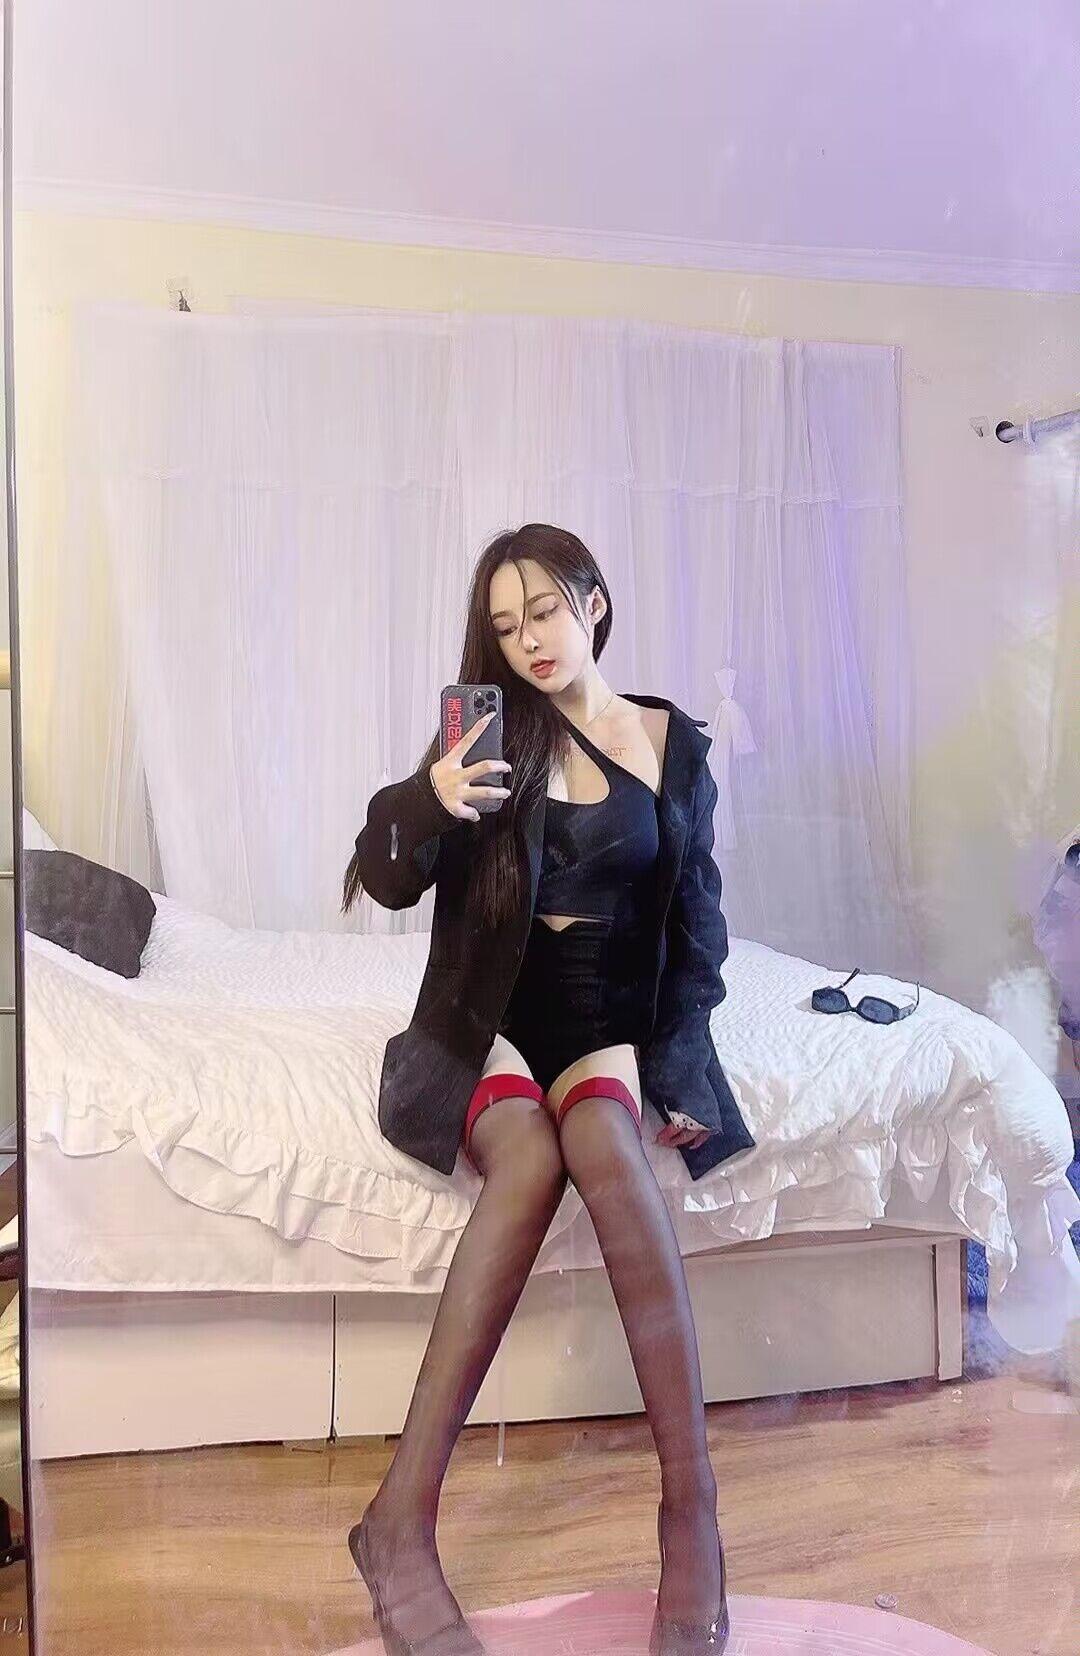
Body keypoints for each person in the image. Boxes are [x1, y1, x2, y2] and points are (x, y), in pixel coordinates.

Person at [341, 523, 754, 1655]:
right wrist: (428, 800)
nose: (527, 639)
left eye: (544, 611)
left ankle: (692, 1512)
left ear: (593, 602)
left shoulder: (671, 744)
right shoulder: (488, 736)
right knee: (526, 1162)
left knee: (610, 1152)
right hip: (489, 1020)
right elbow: (382, 876)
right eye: (505, 623)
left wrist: (681, 1062)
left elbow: (699, 931)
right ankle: (398, 1523)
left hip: (603, 1022)